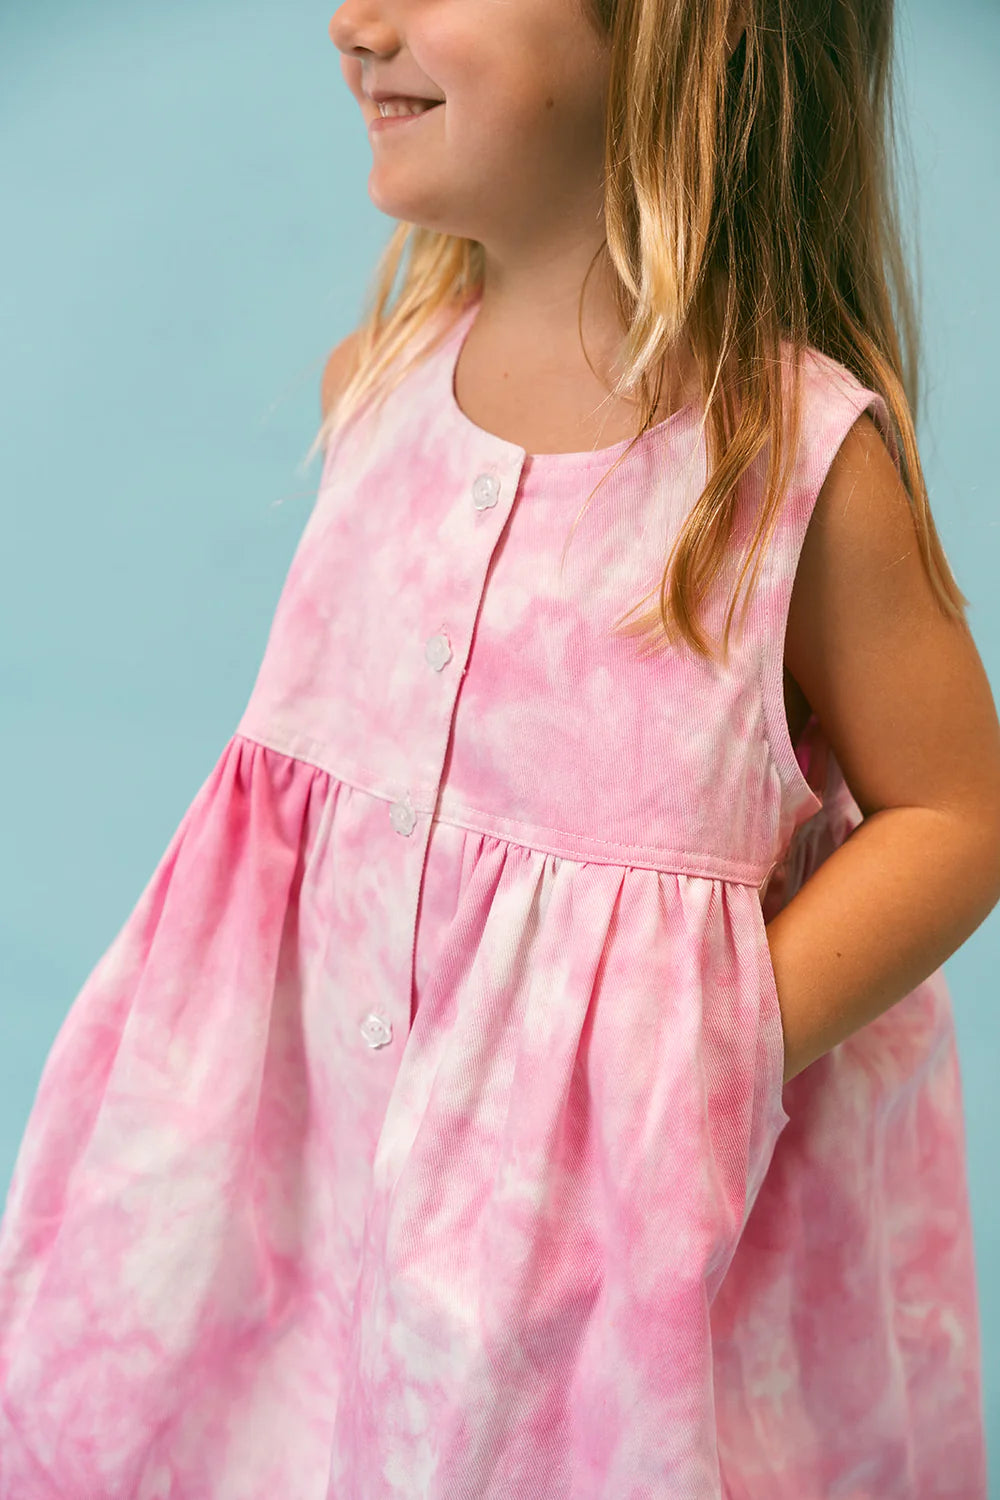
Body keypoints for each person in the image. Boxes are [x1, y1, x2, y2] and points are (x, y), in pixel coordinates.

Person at [0, 0, 996, 1494]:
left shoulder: (790, 469)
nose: (354, 21)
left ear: (683, 31)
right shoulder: (378, 390)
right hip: (289, 1183)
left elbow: (957, 811)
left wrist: (699, 1052)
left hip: (588, 1250)